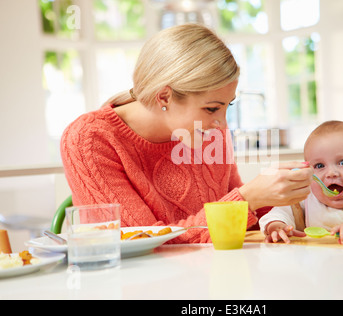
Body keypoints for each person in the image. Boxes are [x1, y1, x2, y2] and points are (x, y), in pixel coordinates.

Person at [60, 23, 312, 243]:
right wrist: (247, 199)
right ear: (164, 96)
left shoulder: (208, 132)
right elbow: (138, 241)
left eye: (227, 106)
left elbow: (238, 224)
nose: (222, 125)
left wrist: (279, 206)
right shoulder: (88, 140)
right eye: (212, 108)